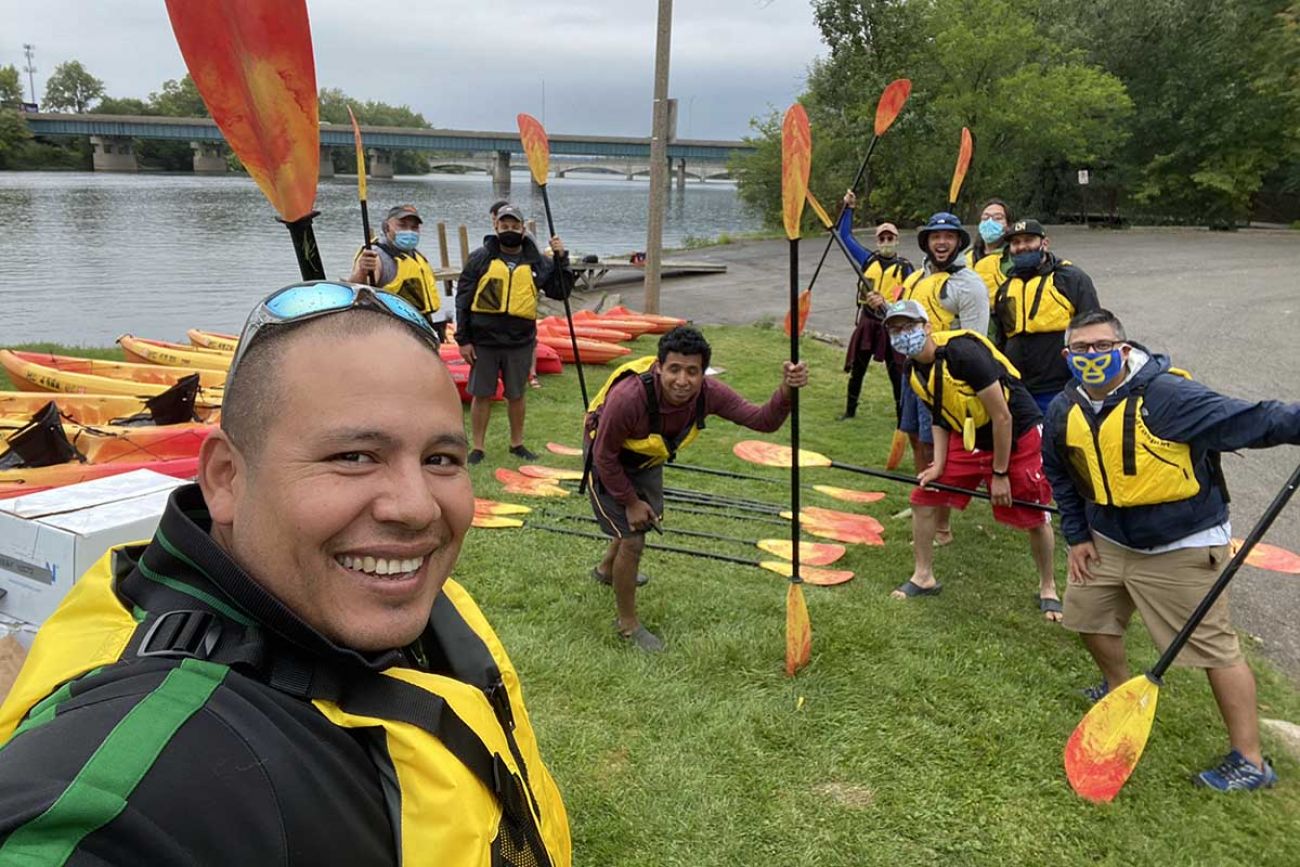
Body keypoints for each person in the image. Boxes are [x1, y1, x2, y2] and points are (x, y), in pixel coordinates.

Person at [0, 282, 572, 864]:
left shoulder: (405, 601)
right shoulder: (145, 769)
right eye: (354, 456)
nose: (418, 507)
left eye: (440, 460)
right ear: (226, 477)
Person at [1042, 308, 1300, 791]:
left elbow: (1250, 419)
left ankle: (1250, 760)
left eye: (1102, 346)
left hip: (1180, 544)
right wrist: (1077, 535)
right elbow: (1061, 472)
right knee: (1086, 617)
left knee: (1214, 649)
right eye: (1081, 349)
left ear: (1122, 349)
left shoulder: (1166, 396)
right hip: (1108, 540)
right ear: (1067, 355)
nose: (1092, 356)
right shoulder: (1064, 408)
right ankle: (1117, 689)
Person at [584, 326, 808, 651]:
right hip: (606, 455)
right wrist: (630, 501)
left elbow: (763, 421)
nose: (682, 380)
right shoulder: (628, 398)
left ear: (703, 373)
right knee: (634, 538)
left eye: (693, 371)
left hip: (646, 456)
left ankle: (607, 570)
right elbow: (604, 455)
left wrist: (786, 391)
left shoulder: (708, 394)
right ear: (659, 367)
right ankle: (627, 624)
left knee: (640, 522)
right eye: (674, 369)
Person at [882, 299, 1060, 621]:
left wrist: (1000, 473)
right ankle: (923, 576)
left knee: (1035, 514)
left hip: (1016, 434)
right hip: (970, 437)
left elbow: (1002, 416)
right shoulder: (913, 369)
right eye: (895, 329)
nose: (902, 334)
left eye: (909, 326)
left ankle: (1048, 587)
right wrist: (938, 464)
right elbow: (940, 416)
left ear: (927, 327)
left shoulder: (964, 353)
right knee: (924, 497)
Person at [894, 212, 990, 545]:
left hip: (945, 377)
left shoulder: (969, 284)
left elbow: (977, 340)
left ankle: (943, 526)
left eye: (949, 237)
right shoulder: (918, 277)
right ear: (927, 242)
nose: (942, 242)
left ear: (959, 242)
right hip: (913, 370)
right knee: (916, 439)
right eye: (936, 237)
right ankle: (926, 502)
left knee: (939, 447)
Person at [456, 204, 571, 465]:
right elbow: (463, 300)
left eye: (514, 226)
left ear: (523, 228)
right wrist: (463, 340)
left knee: (516, 394)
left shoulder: (537, 261)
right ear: (495, 226)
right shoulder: (480, 258)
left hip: (519, 341)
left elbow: (559, 291)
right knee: (482, 393)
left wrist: (561, 258)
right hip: (484, 340)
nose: (509, 230)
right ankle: (478, 447)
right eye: (504, 226)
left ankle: (516, 443)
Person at [991, 219, 1100, 414]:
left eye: (1029, 240)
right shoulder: (1006, 288)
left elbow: (1094, 329)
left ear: (1044, 243)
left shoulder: (1069, 278)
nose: (1022, 247)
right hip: (1019, 389)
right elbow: (1001, 338)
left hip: (1061, 388)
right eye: (1016, 243)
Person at [831, 189, 914, 422]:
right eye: (882, 239)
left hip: (892, 325)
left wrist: (889, 306)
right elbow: (844, 235)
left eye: (890, 238)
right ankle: (849, 411)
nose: (886, 242)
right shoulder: (867, 260)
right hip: (868, 323)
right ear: (877, 241)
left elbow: (910, 302)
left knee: (896, 374)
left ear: (896, 240)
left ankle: (902, 419)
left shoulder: (906, 268)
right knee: (857, 370)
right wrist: (848, 208)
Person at [349, 203, 451, 342]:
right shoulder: (376, 256)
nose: (409, 231)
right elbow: (356, 292)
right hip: (391, 331)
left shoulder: (416, 256)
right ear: (387, 227)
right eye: (402, 225)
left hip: (419, 327)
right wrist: (361, 271)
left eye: (414, 227)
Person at [970, 198, 1013, 305]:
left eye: (998, 218)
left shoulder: (1014, 257)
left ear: (1008, 225)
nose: (990, 222)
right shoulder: (967, 258)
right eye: (985, 218)